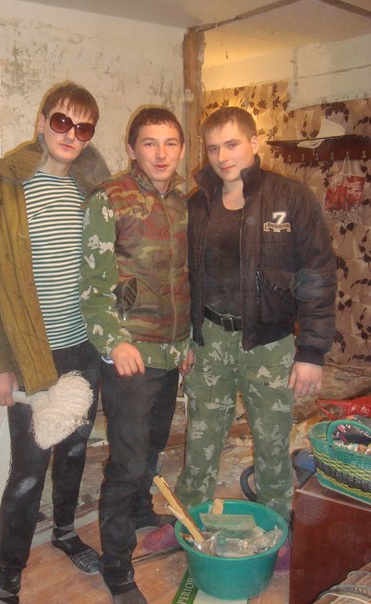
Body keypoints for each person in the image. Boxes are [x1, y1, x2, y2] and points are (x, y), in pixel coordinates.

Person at [0, 81, 110, 604]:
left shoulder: (94, 191)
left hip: (84, 348)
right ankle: (9, 574)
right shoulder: (1, 187)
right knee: (28, 472)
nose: (71, 134)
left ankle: (65, 532)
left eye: (83, 128)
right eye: (62, 121)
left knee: (74, 450)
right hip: (30, 354)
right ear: (41, 122)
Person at [174, 106, 337, 532]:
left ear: (254, 143)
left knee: (271, 443)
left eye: (232, 144)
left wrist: (311, 352)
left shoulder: (290, 198)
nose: (223, 156)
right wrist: (188, 337)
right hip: (211, 339)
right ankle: (188, 522)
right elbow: (187, 277)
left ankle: (275, 528)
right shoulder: (197, 204)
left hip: (269, 344)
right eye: (214, 148)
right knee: (201, 441)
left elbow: (318, 275)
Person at [80, 107, 190, 604]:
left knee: (154, 444)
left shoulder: (184, 204)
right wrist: (114, 342)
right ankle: (117, 564)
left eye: (170, 143)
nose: (161, 154)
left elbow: (185, 278)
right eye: (150, 143)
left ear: (181, 149)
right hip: (130, 353)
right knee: (125, 463)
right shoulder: (109, 199)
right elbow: (93, 285)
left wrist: (186, 342)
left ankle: (142, 510)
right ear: (131, 149)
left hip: (171, 351)